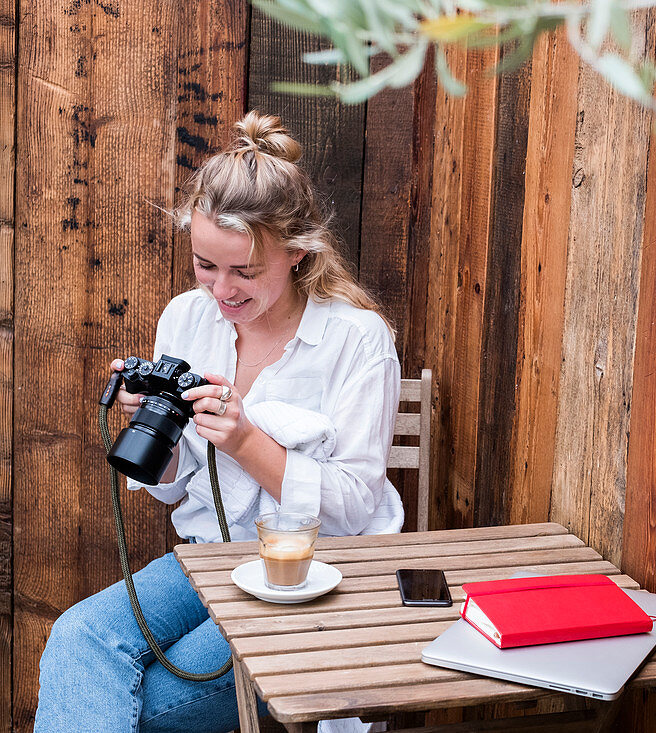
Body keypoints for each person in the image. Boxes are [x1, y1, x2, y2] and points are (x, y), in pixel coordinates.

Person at [35, 111, 403, 733]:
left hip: (314, 575)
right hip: (208, 560)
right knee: (82, 639)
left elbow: (351, 506)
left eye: (245, 272)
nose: (221, 290)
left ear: (297, 251)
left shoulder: (356, 340)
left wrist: (246, 441)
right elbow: (176, 490)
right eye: (206, 264)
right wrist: (155, 427)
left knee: (150, 705)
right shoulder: (187, 317)